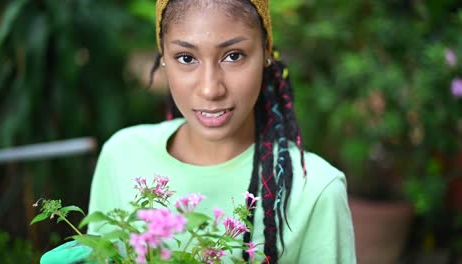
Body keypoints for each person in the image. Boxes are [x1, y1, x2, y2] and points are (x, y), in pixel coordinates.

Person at [42, 0, 356, 263]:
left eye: (233, 56)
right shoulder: (122, 156)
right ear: (163, 58)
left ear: (266, 54)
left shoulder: (314, 191)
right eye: (186, 58)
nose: (210, 88)